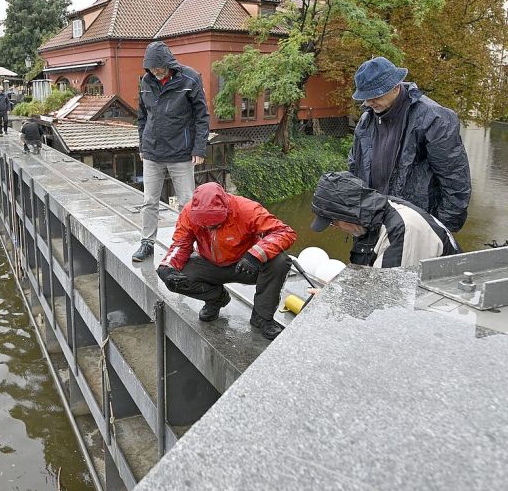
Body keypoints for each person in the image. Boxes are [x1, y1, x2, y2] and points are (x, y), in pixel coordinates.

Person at [348, 57, 470, 264]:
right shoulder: (367, 119)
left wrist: (439, 229)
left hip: (417, 224)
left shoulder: (434, 118)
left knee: (407, 287)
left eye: (375, 96)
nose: (369, 102)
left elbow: (455, 180)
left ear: (396, 87)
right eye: (366, 97)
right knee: (367, 280)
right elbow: (355, 166)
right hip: (374, 221)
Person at [157, 183, 296, 340]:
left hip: (246, 265)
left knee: (280, 262)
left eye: (214, 223)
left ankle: (262, 317)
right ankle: (216, 299)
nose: (209, 226)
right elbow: (180, 244)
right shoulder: (188, 213)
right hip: (209, 264)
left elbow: (284, 232)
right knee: (177, 277)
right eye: (205, 223)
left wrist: (256, 255)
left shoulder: (246, 208)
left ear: (226, 206)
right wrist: (166, 267)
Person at [132, 41, 210, 263]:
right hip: (152, 152)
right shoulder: (146, 81)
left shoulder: (190, 78)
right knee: (149, 201)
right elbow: (142, 117)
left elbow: (202, 117)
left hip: (180, 153)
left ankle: (189, 245)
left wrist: (199, 148)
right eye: (151, 68)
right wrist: (142, 145)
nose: (155, 71)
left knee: (187, 203)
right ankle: (147, 243)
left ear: (168, 63)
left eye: (158, 67)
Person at [310, 171, 461, 268]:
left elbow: (386, 296)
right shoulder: (366, 218)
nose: (334, 227)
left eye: (332, 222)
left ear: (346, 214)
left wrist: (334, 296)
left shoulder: (400, 230)